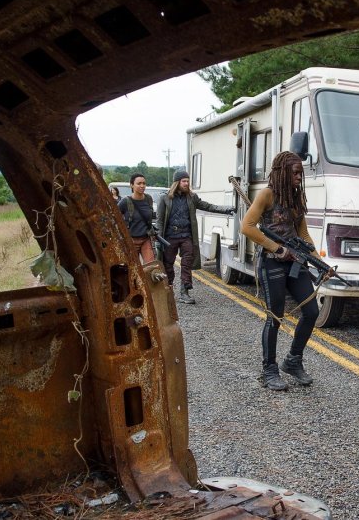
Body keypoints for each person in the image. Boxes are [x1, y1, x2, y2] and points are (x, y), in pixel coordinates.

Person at [240, 151, 320, 391]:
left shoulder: (297, 198)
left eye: (301, 173)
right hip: (272, 262)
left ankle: (293, 361)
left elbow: (303, 234)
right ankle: (269, 370)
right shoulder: (267, 194)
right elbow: (247, 226)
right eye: (295, 173)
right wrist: (276, 248)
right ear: (283, 172)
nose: (299, 177)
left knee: (312, 311)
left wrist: (318, 261)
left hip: (296, 262)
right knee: (275, 317)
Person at [157, 169, 234, 304]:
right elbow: (159, 220)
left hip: (187, 235)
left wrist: (226, 209)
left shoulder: (192, 197)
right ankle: (167, 290)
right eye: (184, 181)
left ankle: (184, 293)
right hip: (170, 237)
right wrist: (158, 238)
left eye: (187, 181)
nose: (187, 183)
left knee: (187, 264)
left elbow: (208, 206)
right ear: (177, 182)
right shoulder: (165, 198)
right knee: (167, 264)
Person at [118, 173, 156, 263]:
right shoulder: (125, 202)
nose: (142, 186)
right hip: (131, 240)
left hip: (146, 239)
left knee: (151, 266)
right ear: (131, 185)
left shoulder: (148, 199)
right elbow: (114, 218)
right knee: (133, 268)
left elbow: (152, 218)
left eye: (144, 183)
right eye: (139, 183)